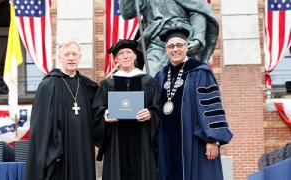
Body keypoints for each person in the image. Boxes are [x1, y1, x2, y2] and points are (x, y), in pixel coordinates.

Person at [155, 28, 233, 180]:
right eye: (171, 46)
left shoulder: (200, 71)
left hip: (194, 141)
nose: (175, 49)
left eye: (179, 45)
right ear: (166, 50)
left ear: (187, 47)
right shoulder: (161, 75)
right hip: (166, 142)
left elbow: (211, 106)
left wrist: (212, 139)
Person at [25, 41, 99, 180]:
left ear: (79, 57)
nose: (71, 58)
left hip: (83, 146)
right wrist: (51, 150)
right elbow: (40, 124)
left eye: (74, 54)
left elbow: (98, 113)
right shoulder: (48, 85)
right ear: (59, 57)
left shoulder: (87, 85)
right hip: (60, 150)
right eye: (67, 54)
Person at [92, 39, 160, 180]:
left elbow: (158, 107)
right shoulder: (108, 83)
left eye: (129, 52)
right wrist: (105, 113)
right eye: (121, 53)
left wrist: (151, 114)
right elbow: (96, 109)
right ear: (116, 58)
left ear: (135, 56)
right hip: (116, 139)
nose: (125, 56)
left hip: (143, 140)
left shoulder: (148, 81)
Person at [119, 0, 219, 76]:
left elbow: (197, 10)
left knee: (188, 80)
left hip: (184, 41)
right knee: (150, 78)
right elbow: (128, 13)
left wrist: (198, 38)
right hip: (157, 43)